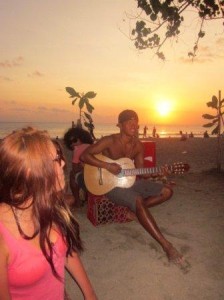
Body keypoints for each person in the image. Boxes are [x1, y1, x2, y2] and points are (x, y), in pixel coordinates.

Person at [0, 127, 97, 300]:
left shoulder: (48, 204)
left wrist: (90, 294)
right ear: (31, 172)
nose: (63, 164)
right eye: (55, 161)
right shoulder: (3, 236)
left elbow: (64, 250)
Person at [81, 110, 183, 264]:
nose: (134, 126)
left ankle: (133, 212)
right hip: (109, 185)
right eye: (129, 122)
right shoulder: (109, 141)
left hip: (129, 181)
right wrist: (107, 165)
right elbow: (85, 156)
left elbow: (142, 173)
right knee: (137, 200)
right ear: (119, 125)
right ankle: (166, 245)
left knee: (167, 192)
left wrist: (159, 172)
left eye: (136, 122)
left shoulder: (138, 146)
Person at [64, 127, 94, 207]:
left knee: (72, 175)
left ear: (82, 138)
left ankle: (77, 201)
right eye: (70, 142)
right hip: (97, 176)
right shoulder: (93, 146)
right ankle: (88, 200)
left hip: (88, 177)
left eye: (74, 140)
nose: (73, 144)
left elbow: (75, 169)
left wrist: (81, 168)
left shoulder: (78, 149)